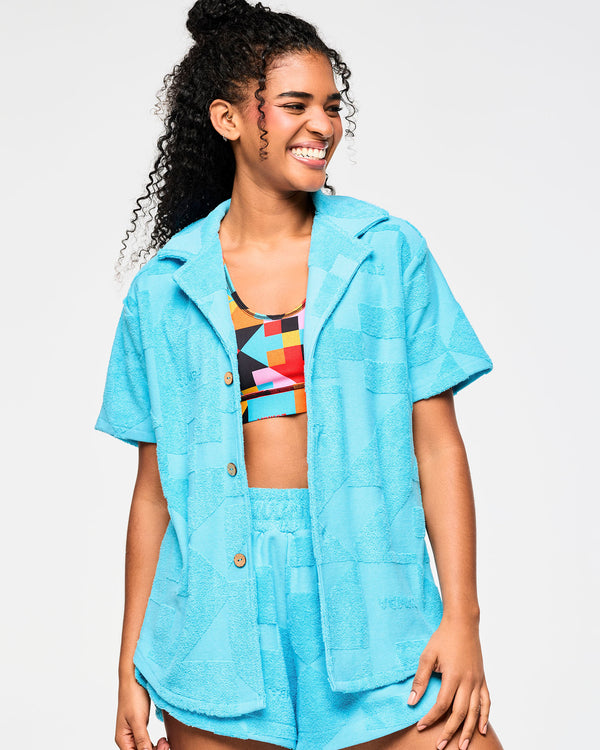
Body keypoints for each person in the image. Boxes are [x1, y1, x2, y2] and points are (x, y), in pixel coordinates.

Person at [95, 1, 505, 749]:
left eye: (331, 106)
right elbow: (154, 489)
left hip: (371, 591)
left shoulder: (386, 253)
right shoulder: (165, 287)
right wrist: (128, 660)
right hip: (213, 617)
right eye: (294, 105)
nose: (323, 125)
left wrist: (462, 617)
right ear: (227, 119)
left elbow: (438, 445)